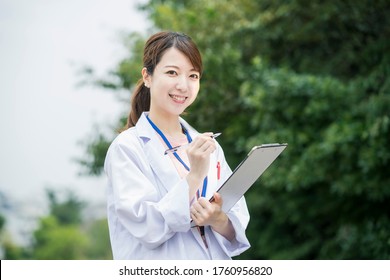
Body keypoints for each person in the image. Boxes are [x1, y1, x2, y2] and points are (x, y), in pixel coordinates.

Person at [104, 31, 250, 259]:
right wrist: (194, 176)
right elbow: (147, 227)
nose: (183, 85)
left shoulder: (208, 145)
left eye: (193, 76)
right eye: (172, 72)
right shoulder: (127, 148)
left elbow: (237, 225)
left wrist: (217, 218)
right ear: (147, 76)